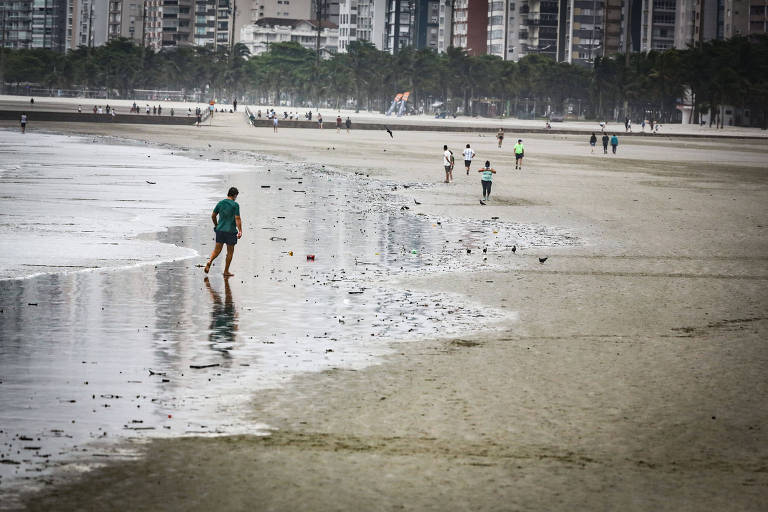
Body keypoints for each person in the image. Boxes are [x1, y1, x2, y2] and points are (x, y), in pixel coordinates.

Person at [204, 187, 243, 277]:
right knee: (230, 252)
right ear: (235, 195)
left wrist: (216, 225)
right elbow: (237, 218)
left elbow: (213, 216)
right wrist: (240, 230)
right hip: (231, 231)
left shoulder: (220, 203)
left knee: (217, 250)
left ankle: (209, 261)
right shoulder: (235, 205)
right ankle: (226, 271)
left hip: (220, 230)